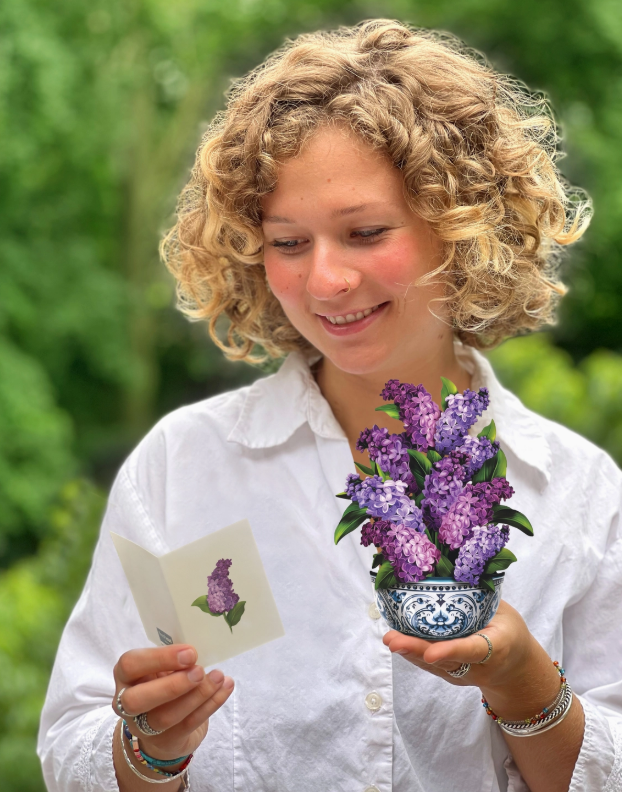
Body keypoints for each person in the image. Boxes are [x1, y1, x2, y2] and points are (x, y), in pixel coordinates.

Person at [37, 20, 622, 792]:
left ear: (463, 226)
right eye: (288, 243)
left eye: (365, 232)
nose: (325, 280)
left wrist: (526, 689)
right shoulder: (185, 466)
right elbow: (74, 744)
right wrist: (151, 748)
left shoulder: (578, 490)